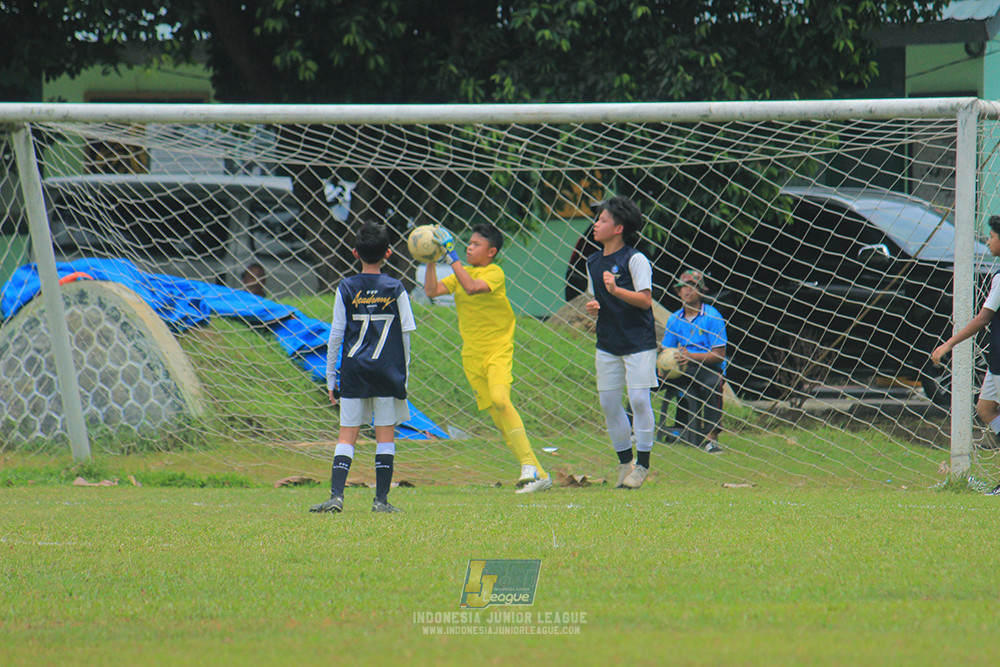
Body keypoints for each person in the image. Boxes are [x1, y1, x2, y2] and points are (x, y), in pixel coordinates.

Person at [423, 222, 552, 494]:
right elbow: (432, 291)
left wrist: (452, 256)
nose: (469, 247)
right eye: (468, 243)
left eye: (476, 244)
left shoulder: (495, 273)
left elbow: (470, 287)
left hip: (497, 350)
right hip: (472, 357)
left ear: (491, 251)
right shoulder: (461, 272)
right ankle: (540, 474)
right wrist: (431, 260)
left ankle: (528, 464)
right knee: (500, 420)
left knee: (501, 399)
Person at [310, 221, 416, 514]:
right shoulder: (396, 288)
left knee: (347, 434)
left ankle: (336, 497)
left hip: (355, 371)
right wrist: (402, 374)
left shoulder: (346, 287)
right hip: (386, 372)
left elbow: (336, 334)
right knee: (385, 434)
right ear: (389, 253)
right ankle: (381, 501)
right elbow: (405, 335)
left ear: (355, 253)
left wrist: (331, 376)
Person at [584, 196, 658, 489]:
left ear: (618, 228)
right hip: (608, 342)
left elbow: (645, 300)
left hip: (638, 341)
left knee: (639, 400)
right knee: (609, 402)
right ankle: (624, 462)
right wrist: (594, 306)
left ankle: (642, 466)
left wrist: (615, 291)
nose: (595, 224)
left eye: (601, 220)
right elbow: (595, 298)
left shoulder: (635, 259)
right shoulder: (592, 261)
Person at [931, 215, 1000, 453]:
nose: (988, 242)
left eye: (992, 237)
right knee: (985, 408)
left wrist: (948, 345)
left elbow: (983, 318)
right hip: (995, 361)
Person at [659, 269, 728, 453]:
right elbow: (667, 349)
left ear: (701, 290)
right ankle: (634, 429)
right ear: (678, 291)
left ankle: (711, 439)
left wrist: (690, 356)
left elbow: (719, 355)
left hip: (708, 366)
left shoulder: (712, 316)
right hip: (682, 366)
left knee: (713, 383)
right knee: (645, 378)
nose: (688, 290)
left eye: (693, 286)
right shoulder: (674, 318)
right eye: (684, 287)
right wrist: (662, 365)